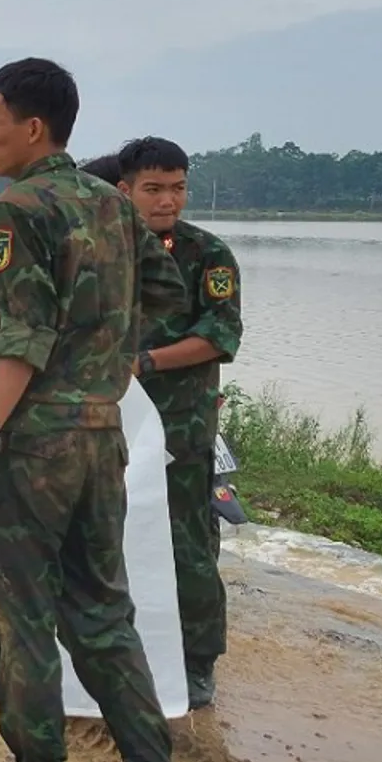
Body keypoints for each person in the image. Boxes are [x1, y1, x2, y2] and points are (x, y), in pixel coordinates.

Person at [0, 58, 193, 762]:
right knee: (104, 616)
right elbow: (165, 292)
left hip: (33, 445)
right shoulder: (112, 205)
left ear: (32, 127)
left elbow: (22, 338)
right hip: (100, 440)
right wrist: (100, 350)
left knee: (15, 616)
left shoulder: (20, 207)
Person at [117, 135, 243, 711]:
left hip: (180, 427)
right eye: (154, 189)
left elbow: (219, 337)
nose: (168, 200)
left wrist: (145, 361)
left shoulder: (207, 256)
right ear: (125, 191)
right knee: (113, 539)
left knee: (187, 545)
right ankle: (130, 649)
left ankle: (197, 663)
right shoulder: (105, 250)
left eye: (178, 188)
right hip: (112, 423)